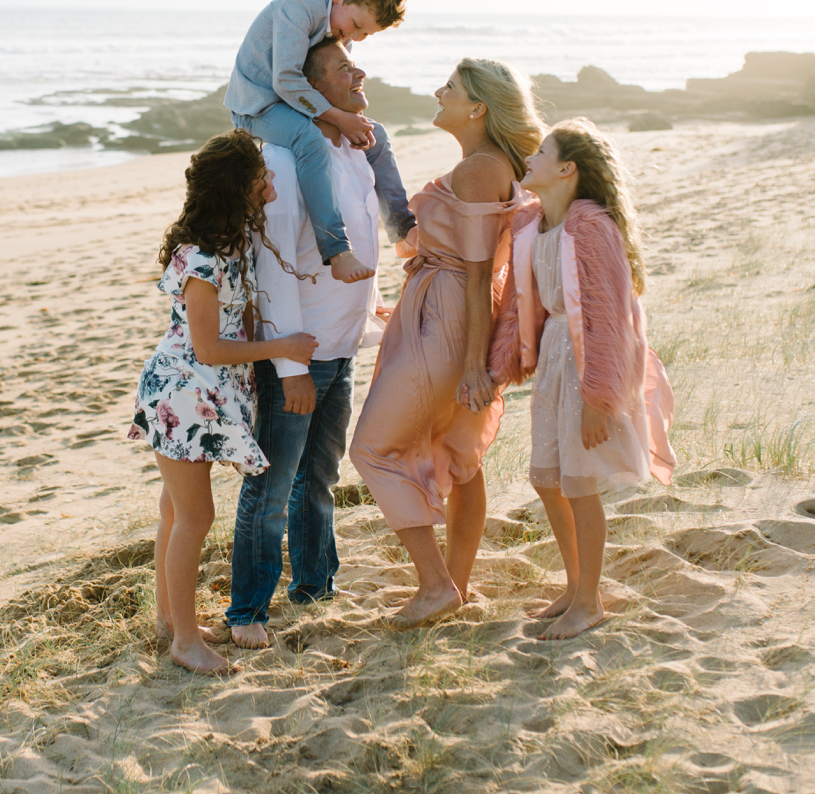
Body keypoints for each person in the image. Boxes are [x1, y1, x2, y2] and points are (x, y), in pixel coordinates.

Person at [349, 59, 545, 628]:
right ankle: (454, 585)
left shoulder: (482, 168)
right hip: (440, 306)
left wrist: (471, 366)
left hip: (452, 314)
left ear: (478, 108)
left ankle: (437, 585)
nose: (439, 92)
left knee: (372, 449)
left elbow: (480, 272)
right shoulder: (481, 163)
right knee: (458, 457)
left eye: (451, 89)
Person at [127, 130, 318, 674]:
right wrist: (282, 347)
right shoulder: (204, 258)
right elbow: (208, 347)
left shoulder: (231, 243)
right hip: (185, 394)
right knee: (195, 515)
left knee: (174, 510)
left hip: (201, 391)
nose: (273, 179)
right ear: (241, 187)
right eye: (264, 174)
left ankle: (171, 620)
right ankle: (185, 641)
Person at [226, 40, 387, 648]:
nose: (360, 72)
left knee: (318, 476)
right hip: (299, 355)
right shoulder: (289, 163)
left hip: (340, 345)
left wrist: (371, 313)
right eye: (345, 68)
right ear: (310, 89)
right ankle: (247, 612)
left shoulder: (349, 151)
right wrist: (290, 368)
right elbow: (274, 271)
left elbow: (357, 242)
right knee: (270, 487)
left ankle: (315, 585)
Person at [490, 118, 676, 640]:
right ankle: (575, 585)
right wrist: (503, 362)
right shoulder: (531, 224)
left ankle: (590, 601)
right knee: (545, 478)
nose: (530, 156)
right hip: (552, 356)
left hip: (587, 362)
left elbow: (609, 315)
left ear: (567, 168)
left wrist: (600, 397)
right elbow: (515, 306)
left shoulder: (591, 227)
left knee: (579, 482)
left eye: (542, 151)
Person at [223, 0, 415, 284]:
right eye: (356, 26)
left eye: (365, 34)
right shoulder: (300, 6)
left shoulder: (338, 24)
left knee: (375, 133)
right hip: (258, 105)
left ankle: (404, 230)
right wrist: (340, 118)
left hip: (297, 100)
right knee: (308, 139)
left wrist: (354, 120)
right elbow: (285, 79)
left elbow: (332, 85)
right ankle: (337, 249)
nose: (355, 37)